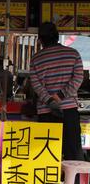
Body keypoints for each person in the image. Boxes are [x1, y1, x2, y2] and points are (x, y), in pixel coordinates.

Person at [30, 22, 85, 168]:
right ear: (57, 36)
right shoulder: (73, 54)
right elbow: (79, 77)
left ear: (40, 40)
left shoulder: (36, 58)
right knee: (72, 151)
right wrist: (60, 96)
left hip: (46, 111)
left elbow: (36, 84)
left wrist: (50, 100)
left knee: (46, 152)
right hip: (68, 111)